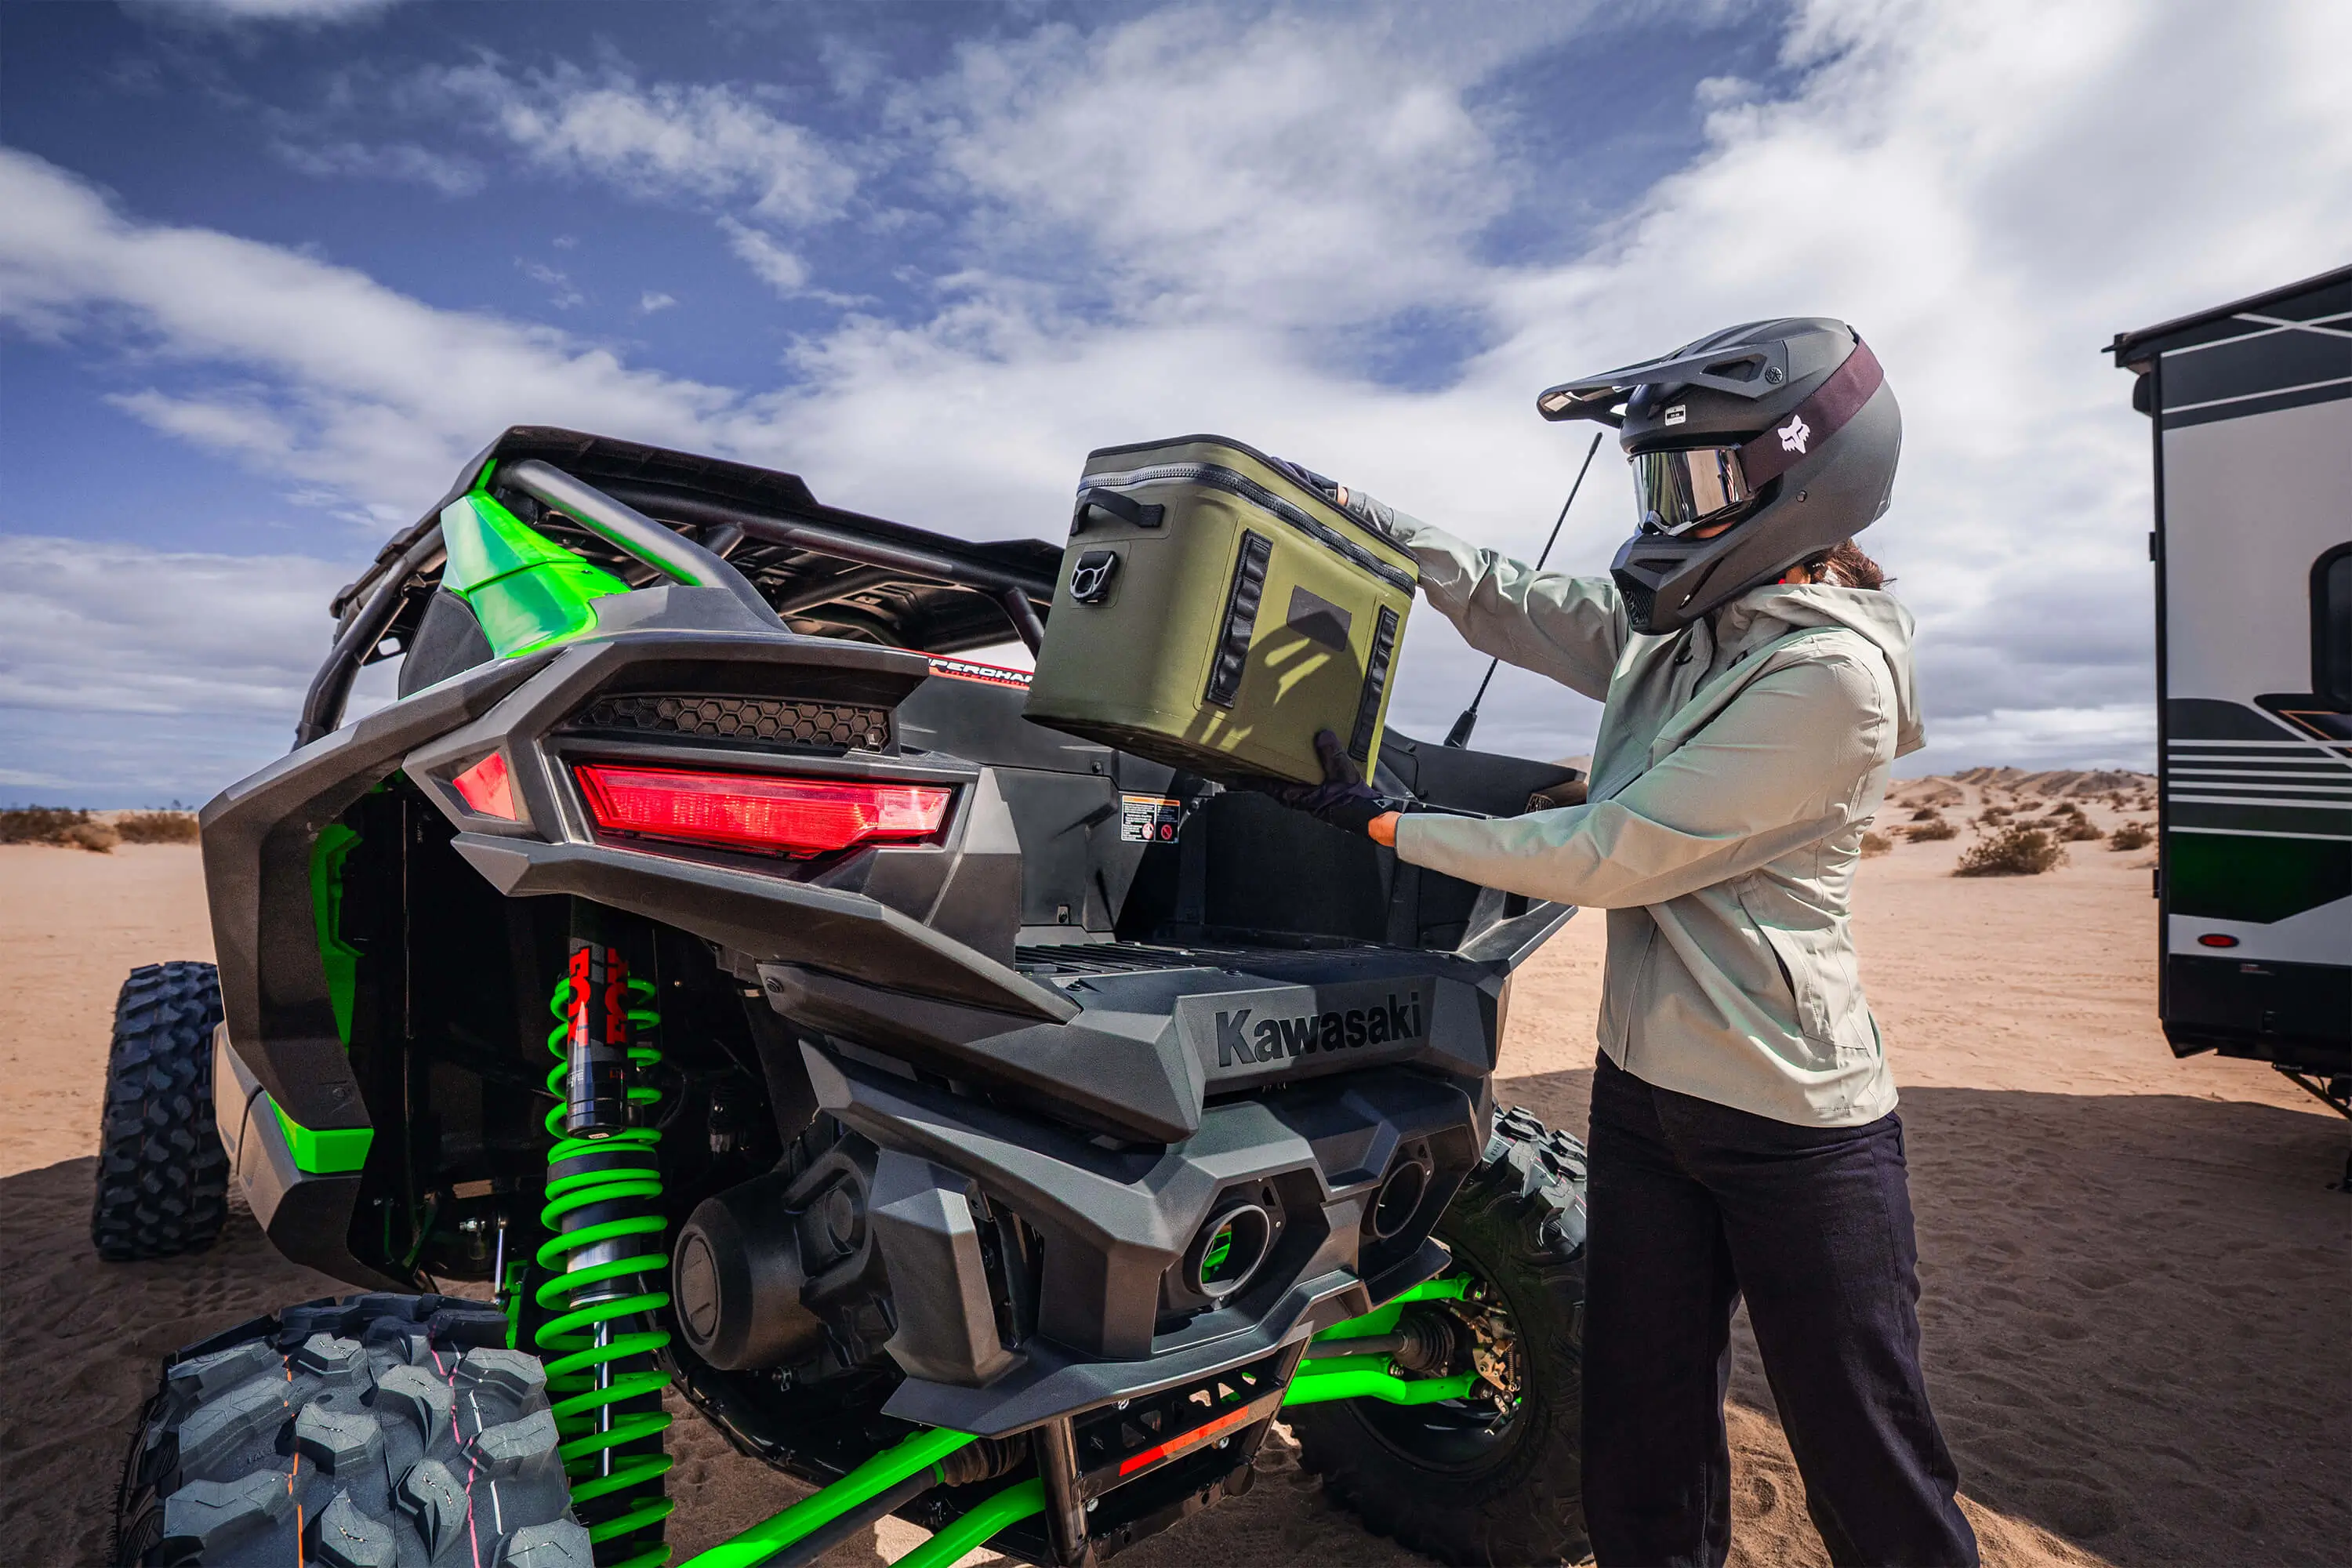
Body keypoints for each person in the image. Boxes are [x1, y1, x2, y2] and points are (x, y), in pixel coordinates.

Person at [1263, 318, 1979, 1568]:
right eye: (1661, 481)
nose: (1673, 513)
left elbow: (1613, 851)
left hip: (1790, 1121)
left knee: (1867, 1455)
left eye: (1702, 480)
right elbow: (1518, 601)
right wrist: (1366, 521)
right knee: (1641, 1439)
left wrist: (1388, 823)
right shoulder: (1691, 632)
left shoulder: (1830, 678)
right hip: (1647, 1095)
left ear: (1812, 479)